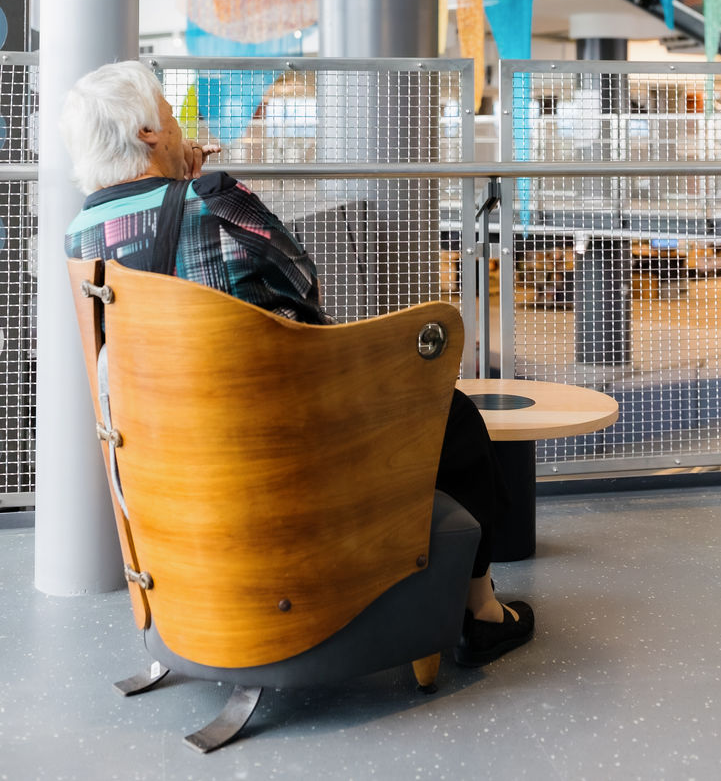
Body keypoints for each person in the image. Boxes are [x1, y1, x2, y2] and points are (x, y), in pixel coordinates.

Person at [61, 60, 533, 667]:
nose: (182, 130)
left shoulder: (81, 234)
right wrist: (200, 185)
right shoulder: (214, 198)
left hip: (168, 453)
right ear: (148, 133)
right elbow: (303, 280)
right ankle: (481, 611)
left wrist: (183, 184)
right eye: (172, 117)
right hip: (284, 435)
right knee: (452, 414)